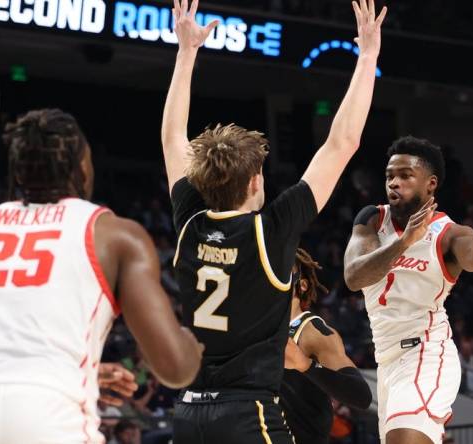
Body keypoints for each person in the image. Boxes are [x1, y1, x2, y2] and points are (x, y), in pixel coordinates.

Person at [161, 0, 387, 440]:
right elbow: (342, 143)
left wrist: (185, 52)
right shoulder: (271, 229)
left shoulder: (189, 222)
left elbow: (172, 136)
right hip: (247, 412)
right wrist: (368, 58)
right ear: (254, 183)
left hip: (188, 415)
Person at [0, 109, 202, 444]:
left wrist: (85, 374)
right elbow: (174, 368)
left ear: (19, 173)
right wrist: (195, 344)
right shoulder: (114, 235)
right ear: (83, 165)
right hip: (45, 417)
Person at [344, 136, 473, 444]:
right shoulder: (372, 219)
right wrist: (404, 243)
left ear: (431, 184)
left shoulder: (448, 233)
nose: (394, 183)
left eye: (405, 176)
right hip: (386, 360)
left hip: (425, 353)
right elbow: (354, 276)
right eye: (389, 176)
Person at [281, 248, 372, 444]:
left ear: (302, 285)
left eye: (282, 272)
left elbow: (361, 395)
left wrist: (304, 364)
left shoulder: (313, 332)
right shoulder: (258, 329)